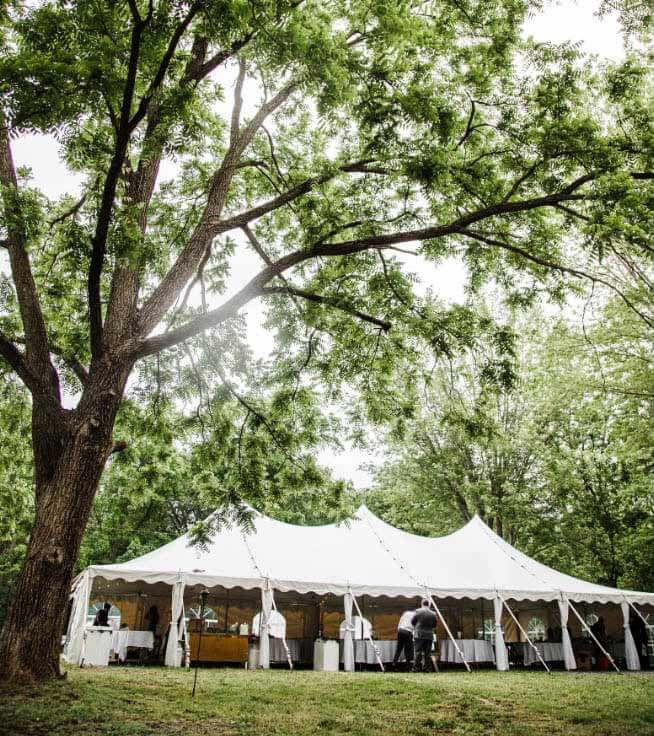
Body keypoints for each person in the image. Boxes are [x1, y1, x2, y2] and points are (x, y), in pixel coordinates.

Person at [411, 599, 437, 672]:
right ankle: (426, 669)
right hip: (429, 635)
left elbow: (412, 622)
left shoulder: (417, 611)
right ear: (428, 604)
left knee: (418, 652)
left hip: (419, 634)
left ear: (422, 604)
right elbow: (435, 625)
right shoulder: (433, 613)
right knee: (427, 653)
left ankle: (416, 668)